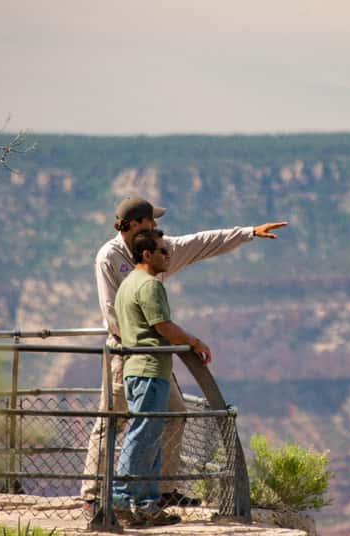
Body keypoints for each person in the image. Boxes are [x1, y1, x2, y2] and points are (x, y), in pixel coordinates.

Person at [81, 196, 287, 512]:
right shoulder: (109, 258)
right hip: (127, 355)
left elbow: (202, 242)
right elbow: (112, 315)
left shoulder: (158, 251)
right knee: (113, 419)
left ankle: (163, 489)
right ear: (135, 225)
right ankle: (96, 494)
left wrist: (249, 232)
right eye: (151, 221)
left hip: (154, 356)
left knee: (174, 413)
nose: (157, 227)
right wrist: (161, 338)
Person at [111, 228, 212, 526]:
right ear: (146, 254)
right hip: (150, 370)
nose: (169, 256)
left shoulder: (127, 284)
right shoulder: (150, 286)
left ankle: (146, 505)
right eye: (163, 251)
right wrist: (195, 342)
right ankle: (119, 500)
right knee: (142, 436)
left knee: (151, 439)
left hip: (137, 370)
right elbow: (163, 325)